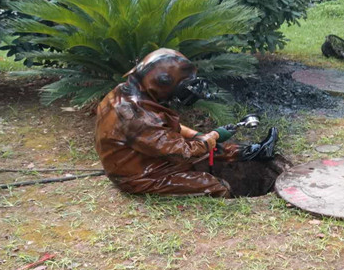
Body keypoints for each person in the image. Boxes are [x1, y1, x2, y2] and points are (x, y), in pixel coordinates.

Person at [95, 48, 278, 198]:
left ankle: (254, 152)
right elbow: (183, 153)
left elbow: (162, 129)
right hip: (139, 175)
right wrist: (211, 137)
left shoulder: (126, 94)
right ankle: (229, 186)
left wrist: (196, 136)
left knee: (206, 148)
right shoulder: (135, 115)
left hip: (147, 157)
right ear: (162, 81)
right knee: (214, 185)